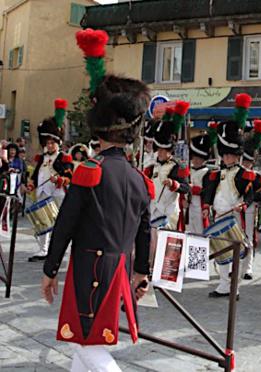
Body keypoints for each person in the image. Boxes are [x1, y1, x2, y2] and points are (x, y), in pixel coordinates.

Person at [40, 27, 152, 372]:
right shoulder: (140, 179)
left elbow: (66, 224)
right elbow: (144, 233)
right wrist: (140, 273)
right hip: (118, 266)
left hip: (89, 264)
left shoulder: (90, 170)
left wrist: (49, 269)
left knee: (86, 344)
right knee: (82, 341)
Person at [201, 93, 259, 299]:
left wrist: (245, 204)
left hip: (235, 216)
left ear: (237, 155)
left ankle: (236, 285)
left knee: (239, 251)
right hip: (219, 215)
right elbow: (208, 191)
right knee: (221, 251)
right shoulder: (215, 173)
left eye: (230, 155)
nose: (227, 158)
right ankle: (224, 284)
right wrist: (206, 205)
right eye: (224, 154)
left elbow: (252, 194)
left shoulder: (245, 173)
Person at [27, 99, 74, 262]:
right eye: (47, 143)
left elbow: (69, 176)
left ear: (57, 142)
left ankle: (57, 249)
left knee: (58, 223)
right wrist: (31, 184)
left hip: (58, 194)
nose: (50, 145)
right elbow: (36, 174)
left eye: (52, 142)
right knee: (42, 221)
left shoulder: (64, 157)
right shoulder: (41, 158)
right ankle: (43, 249)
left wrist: (59, 179)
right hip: (42, 192)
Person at [144, 103, 191, 233]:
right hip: (153, 210)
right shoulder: (151, 167)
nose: (161, 153)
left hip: (169, 212)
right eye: (159, 150)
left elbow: (186, 188)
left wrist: (173, 184)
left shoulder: (178, 167)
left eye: (164, 150)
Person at [240, 120, 261, 280]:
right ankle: (236, 265)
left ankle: (248, 268)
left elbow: (259, 192)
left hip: (249, 209)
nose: (246, 164)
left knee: (249, 238)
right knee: (237, 238)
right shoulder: (237, 173)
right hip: (236, 207)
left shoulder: (258, 176)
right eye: (244, 161)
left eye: (248, 162)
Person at [187, 134, 212, 235]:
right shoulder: (188, 170)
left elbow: (208, 191)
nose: (196, 160)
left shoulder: (207, 172)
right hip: (189, 205)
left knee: (200, 232)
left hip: (200, 205)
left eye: (199, 158)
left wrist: (197, 190)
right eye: (194, 157)